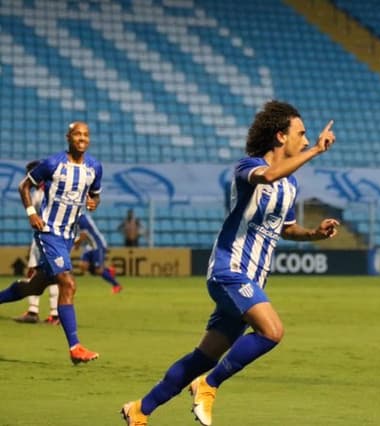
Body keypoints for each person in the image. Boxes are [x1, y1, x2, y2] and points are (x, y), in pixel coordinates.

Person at [121, 100, 339, 425]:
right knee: (272, 331)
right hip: (229, 270)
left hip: (251, 280)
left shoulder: (291, 185)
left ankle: (139, 410)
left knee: (202, 357)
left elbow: (285, 228)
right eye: (301, 134)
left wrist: (314, 235)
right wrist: (317, 152)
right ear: (280, 136)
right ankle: (208, 386)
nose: (306, 141)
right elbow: (267, 176)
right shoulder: (247, 167)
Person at [0, 121, 102, 364]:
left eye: (86, 135)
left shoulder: (94, 167)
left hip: (68, 235)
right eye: (77, 134)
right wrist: (31, 213)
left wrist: (93, 203)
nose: (82, 138)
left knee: (34, 287)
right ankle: (75, 347)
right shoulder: (53, 164)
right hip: (48, 231)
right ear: (68, 137)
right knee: (68, 283)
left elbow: (95, 196)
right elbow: (23, 185)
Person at [13, 160, 60, 325]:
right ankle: (53, 314)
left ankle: (34, 311)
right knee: (54, 275)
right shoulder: (50, 190)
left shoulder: (41, 193)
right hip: (53, 239)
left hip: (45, 238)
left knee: (37, 274)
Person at [74, 213, 123, 294]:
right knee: (83, 265)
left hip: (97, 244)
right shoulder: (78, 219)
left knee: (99, 270)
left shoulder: (82, 220)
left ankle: (116, 285)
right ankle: (108, 271)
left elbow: (83, 235)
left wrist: (76, 244)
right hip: (90, 245)